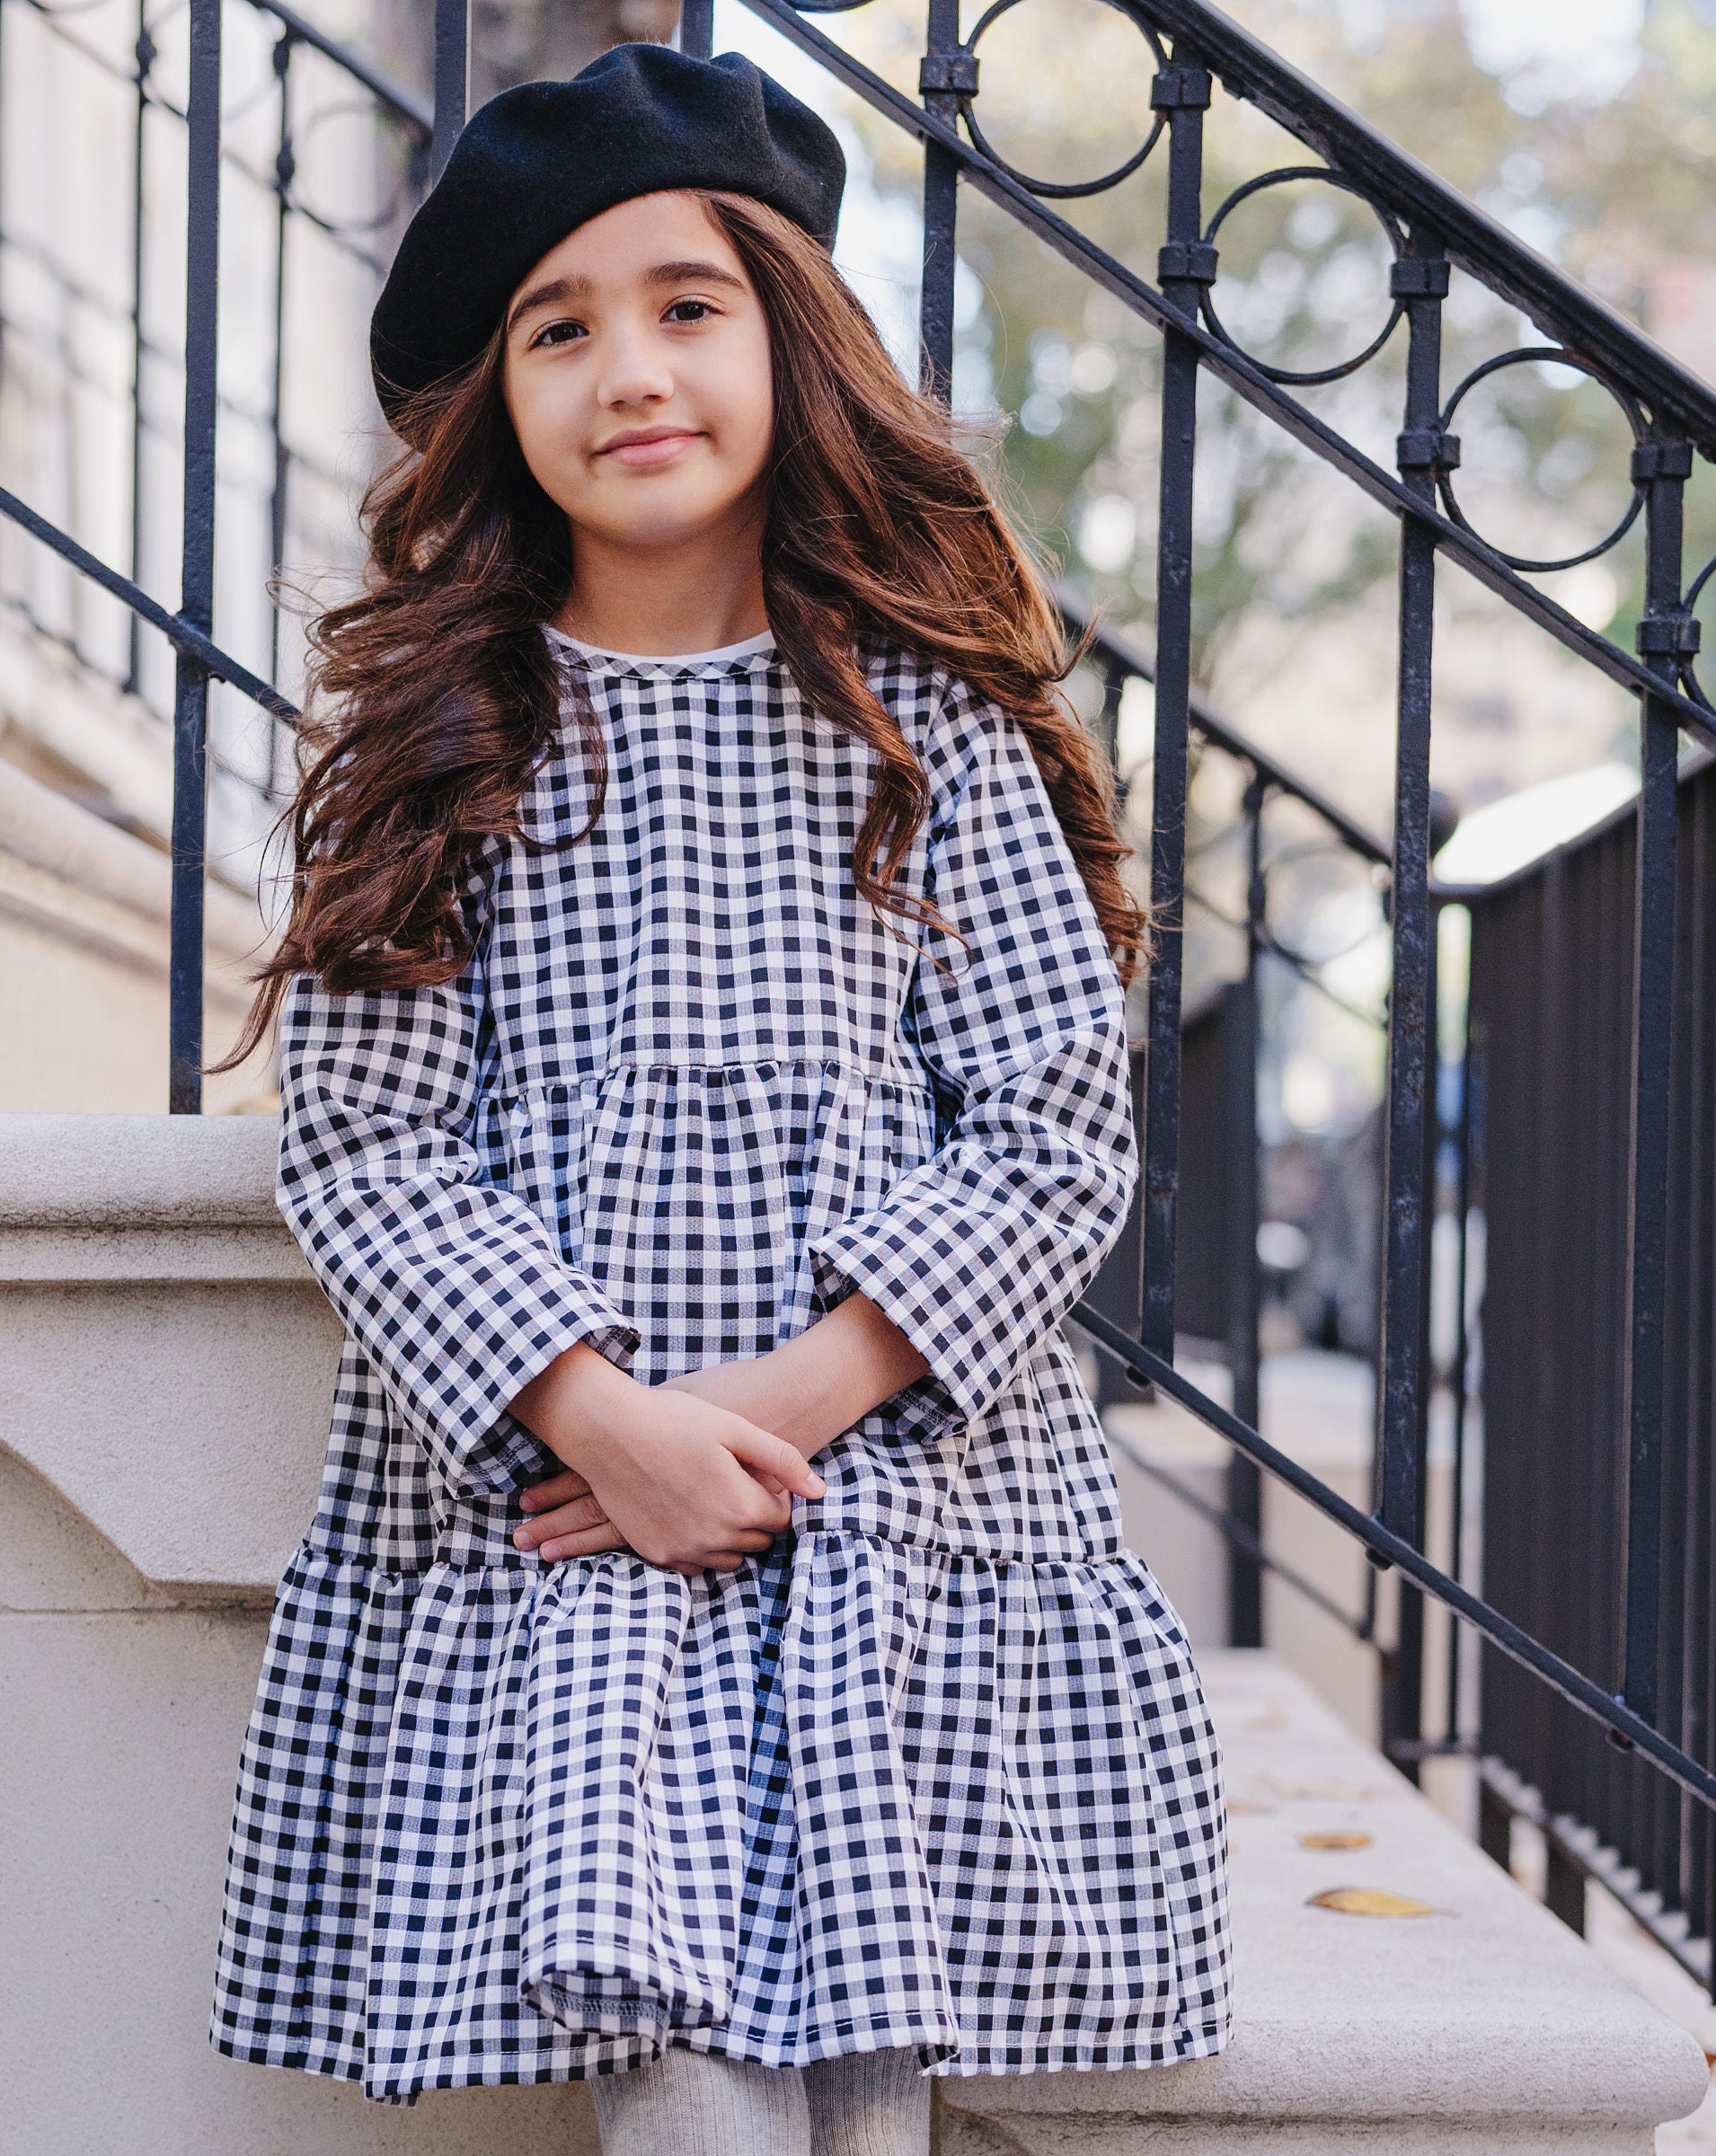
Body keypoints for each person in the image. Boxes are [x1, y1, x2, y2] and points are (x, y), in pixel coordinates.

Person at [209, 43, 1229, 2156]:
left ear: (795, 341)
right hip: (580, 1538)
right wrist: (602, 1420)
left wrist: (771, 1412)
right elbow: (366, 1149)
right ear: (498, 398)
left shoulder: (921, 726)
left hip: (868, 1513)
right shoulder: (446, 748)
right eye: (556, 329)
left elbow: (1052, 1122)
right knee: (684, 2098)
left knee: (847, 2086)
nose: (627, 370)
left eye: (687, 305)